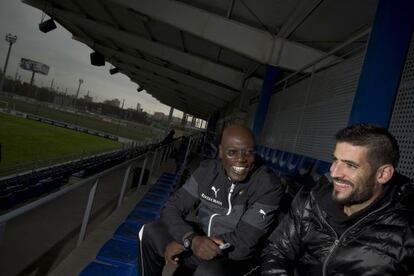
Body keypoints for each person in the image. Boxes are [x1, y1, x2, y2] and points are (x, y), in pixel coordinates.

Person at [261, 124, 414, 276]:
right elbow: (277, 249)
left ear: (383, 174)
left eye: (350, 165)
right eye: (335, 160)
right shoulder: (310, 200)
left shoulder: (406, 232)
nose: (334, 172)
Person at [139, 125, 284, 276]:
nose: (241, 159)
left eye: (249, 152)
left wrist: (195, 245)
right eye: (232, 152)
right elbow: (172, 207)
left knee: (208, 272)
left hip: (233, 258)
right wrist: (189, 238)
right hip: (197, 240)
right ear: (221, 152)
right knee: (149, 231)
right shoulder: (207, 171)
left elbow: (244, 243)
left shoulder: (268, 186)